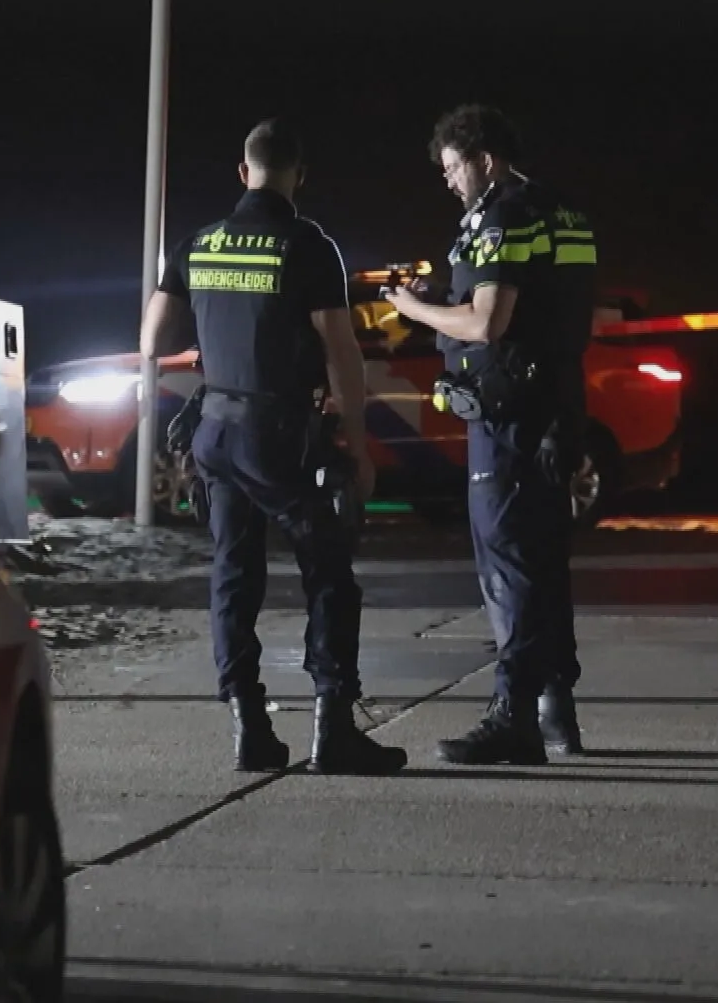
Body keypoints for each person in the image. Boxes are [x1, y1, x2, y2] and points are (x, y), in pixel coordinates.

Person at [142, 118, 408, 777]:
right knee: (328, 576)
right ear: (300, 175)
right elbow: (341, 349)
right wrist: (354, 440)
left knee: (234, 576)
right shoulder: (308, 245)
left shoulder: (197, 244)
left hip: (216, 434)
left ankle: (249, 728)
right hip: (283, 436)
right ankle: (334, 728)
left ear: (243, 172)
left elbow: (152, 341)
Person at [382, 104, 595, 764]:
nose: (449, 182)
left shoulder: (501, 217)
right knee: (544, 564)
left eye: (453, 168)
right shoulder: (565, 212)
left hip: (508, 416)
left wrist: (411, 307)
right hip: (557, 406)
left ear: (485, 159)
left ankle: (514, 717)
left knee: (509, 567)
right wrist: (447, 288)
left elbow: (487, 323)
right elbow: (544, 305)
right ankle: (555, 710)